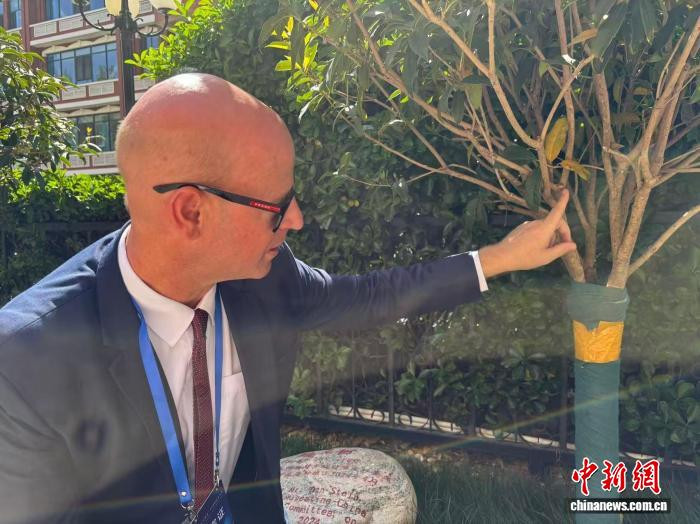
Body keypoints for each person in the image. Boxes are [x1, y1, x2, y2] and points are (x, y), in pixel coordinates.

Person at [0, 73, 576, 524]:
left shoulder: (265, 278)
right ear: (191, 211)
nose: (296, 219)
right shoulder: (28, 361)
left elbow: (369, 297)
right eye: (277, 206)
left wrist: (500, 258)